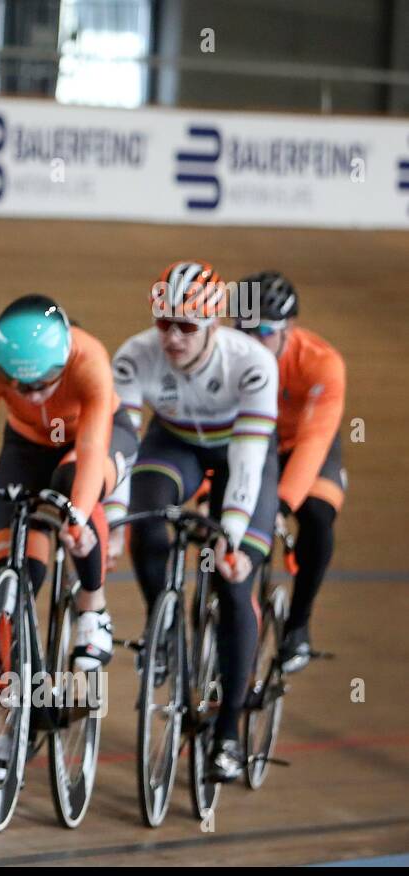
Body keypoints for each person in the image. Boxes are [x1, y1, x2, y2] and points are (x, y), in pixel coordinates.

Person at [109, 260, 279, 783]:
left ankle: (228, 732)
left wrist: (230, 534)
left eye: (187, 327)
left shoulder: (251, 363)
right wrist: (113, 518)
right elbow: (121, 446)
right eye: (164, 323)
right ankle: (165, 625)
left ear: (215, 325)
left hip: (239, 453)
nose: (173, 337)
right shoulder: (136, 356)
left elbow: (250, 462)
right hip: (174, 443)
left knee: (235, 583)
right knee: (146, 515)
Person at [0, 295, 135, 672]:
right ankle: (16, 691)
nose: (33, 394)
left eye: (43, 383)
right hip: (28, 445)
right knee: (18, 569)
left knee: (68, 485)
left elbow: (91, 448)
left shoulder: (89, 360)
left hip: (93, 441)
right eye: (20, 387)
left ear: (63, 361)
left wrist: (78, 517)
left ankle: (94, 609)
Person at [235, 271, 346, 673]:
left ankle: (297, 625)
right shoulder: (229, 357)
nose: (252, 342)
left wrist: (280, 504)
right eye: (243, 328)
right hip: (252, 443)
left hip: (303, 446)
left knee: (316, 517)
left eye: (264, 331)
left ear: (290, 329)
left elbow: (316, 441)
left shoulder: (321, 364)